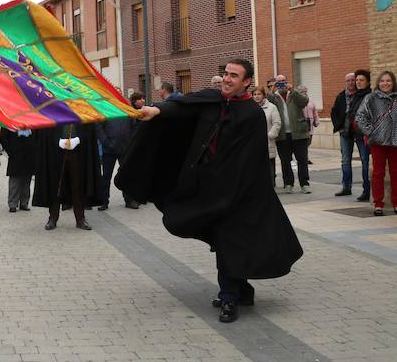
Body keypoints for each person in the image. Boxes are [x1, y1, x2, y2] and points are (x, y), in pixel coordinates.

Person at [116, 59, 303, 324]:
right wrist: (157, 111)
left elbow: (249, 161)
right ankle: (242, 290)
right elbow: (183, 109)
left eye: (234, 76)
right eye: (225, 74)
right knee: (223, 242)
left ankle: (229, 297)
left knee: (229, 242)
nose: (227, 79)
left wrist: (231, 195)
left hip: (237, 193)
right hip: (206, 188)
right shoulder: (212, 100)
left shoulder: (251, 115)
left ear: (247, 82)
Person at [33, 123, 102, 230]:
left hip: (78, 152)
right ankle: (53, 218)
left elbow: (89, 128)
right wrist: (57, 140)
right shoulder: (53, 108)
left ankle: (80, 219)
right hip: (55, 152)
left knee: (78, 185)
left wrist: (79, 139)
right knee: (55, 185)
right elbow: (46, 129)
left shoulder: (82, 107)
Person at [356, 71, 397, 216]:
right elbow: (360, 117)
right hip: (378, 142)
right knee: (378, 173)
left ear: (393, 83)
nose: (385, 83)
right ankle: (378, 204)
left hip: (395, 142)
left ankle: (396, 202)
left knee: (395, 173)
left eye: (388, 81)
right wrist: (370, 132)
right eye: (382, 81)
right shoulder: (371, 98)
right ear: (378, 83)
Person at [332, 71, 372, 200]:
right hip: (345, 132)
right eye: (348, 80)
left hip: (361, 134)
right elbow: (334, 112)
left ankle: (367, 190)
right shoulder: (341, 96)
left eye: (353, 80)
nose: (351, 83)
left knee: (365, 160)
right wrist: (339, 126)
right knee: (345, 160)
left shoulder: (364, 94)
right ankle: (346, 187)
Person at [267, 74, 311, 193]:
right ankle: (288, 183)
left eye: (283, 81)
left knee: (302, 159)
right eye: (279, 82)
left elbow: (304, 101)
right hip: (282, 134)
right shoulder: (274, 97)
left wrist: (292, 89)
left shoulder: (294, 94)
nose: (282, 84)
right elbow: (267, 102)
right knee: (285, 160)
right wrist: (272, 89)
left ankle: (304, 183)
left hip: (298, 133)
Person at [95, 103, 139, 211]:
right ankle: (104, 201)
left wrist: (130, 142)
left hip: (125, 149)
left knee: (126, 174)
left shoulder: (127, 110)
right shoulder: (105, 110)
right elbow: (98, 127)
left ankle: (129, 200)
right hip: (108, 149)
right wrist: (106, 142)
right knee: (106, 176)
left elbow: (134, 127)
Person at [0, 128, 36, 212]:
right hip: (15, 153)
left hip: (29, 153)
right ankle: (12, 204)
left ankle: (24, 203)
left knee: (27, 179)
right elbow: (3, 137)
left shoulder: (32, 119)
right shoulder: (10, 119)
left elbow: (36, 135)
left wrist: (35, 148)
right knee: (14, 180)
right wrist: (9, 150)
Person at [252, 86, 282, 185]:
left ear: (264, 95)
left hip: (267, 142)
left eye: (259, 94)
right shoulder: (250, 107)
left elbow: (277, 123)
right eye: (255, 94)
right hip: (254, 142)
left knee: (269, 167)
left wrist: (269, 135)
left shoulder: (272, 107)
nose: (257, 96)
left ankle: (271, 186)